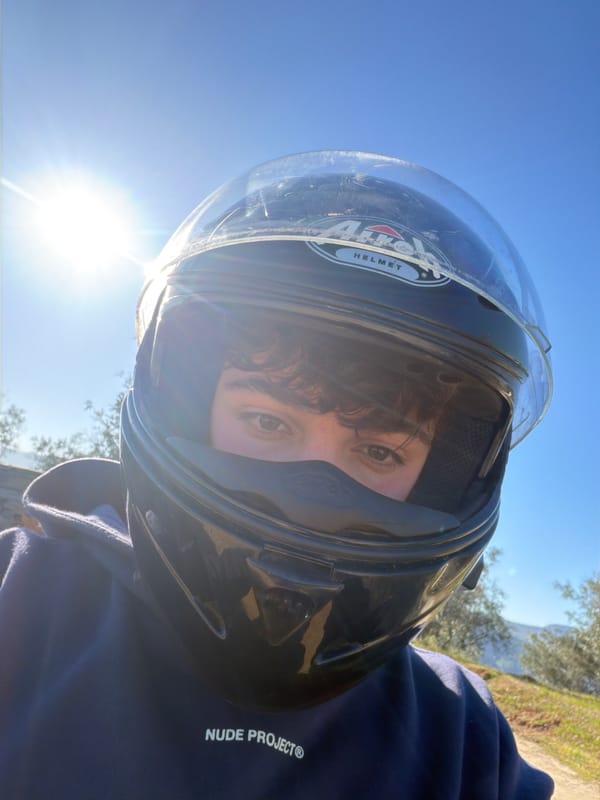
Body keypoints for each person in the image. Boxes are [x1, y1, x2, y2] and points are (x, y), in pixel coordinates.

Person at [0, 151, 554, 798]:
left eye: (377, 453)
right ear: (187, 407)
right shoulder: (20, 603)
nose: (308, 498)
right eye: (267, 421)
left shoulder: (460, 734)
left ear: (444, 482)